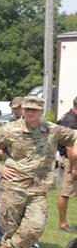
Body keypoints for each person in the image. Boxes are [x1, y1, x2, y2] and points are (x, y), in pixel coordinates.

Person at [0, 95, 77, 248]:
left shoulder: (52, 130)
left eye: (34, 109)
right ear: (22, 110)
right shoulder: (9, 130)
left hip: (38, 190)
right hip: (12, 188)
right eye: (27, 109)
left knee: (35, 228)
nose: (30, 112)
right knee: (12, 230)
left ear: (41, 111)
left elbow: (74, 135)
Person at [0, 96, 24, 245]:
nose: (16, 111)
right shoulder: (7, 125)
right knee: (1, 204)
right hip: (7, 170)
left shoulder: (34, 126)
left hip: (27, 172)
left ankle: (27, 241)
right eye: (14, 108)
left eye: (18, 107)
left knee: (26, 206)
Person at [56, 95, 77, 233]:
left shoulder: (66, 116)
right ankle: (63, 224)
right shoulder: (72, 121)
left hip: (69, 158)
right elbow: (70, 148)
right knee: (66, 192)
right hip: (70, 160)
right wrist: (75, 167)